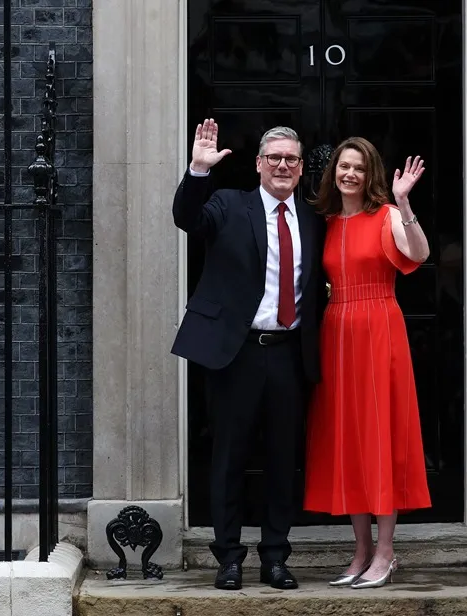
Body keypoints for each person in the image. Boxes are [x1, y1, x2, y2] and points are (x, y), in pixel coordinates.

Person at [171, 119, 325, 591]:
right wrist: (198, 169)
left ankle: (276, 557)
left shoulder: (316, 218)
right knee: (230, 458)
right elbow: (186, 219)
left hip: (288, 354)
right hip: (235, 353)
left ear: (300, 169)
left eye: (291, 159)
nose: (283, 165)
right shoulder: (228, 204)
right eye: (274, 157)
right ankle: (229, 557)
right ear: (259, 164)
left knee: (283, 461)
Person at [303, 137, 432, 589]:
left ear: (370, 173)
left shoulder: (387, 215)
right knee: (350, 439)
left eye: (358, 167)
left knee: (380, 437)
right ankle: (360, 550)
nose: (350, 174)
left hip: (379, 327)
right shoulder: (328, 221)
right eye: (343, 166)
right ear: (334, 172)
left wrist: (404, 201)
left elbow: (419, 254)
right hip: (337, 331)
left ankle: (386, 551)